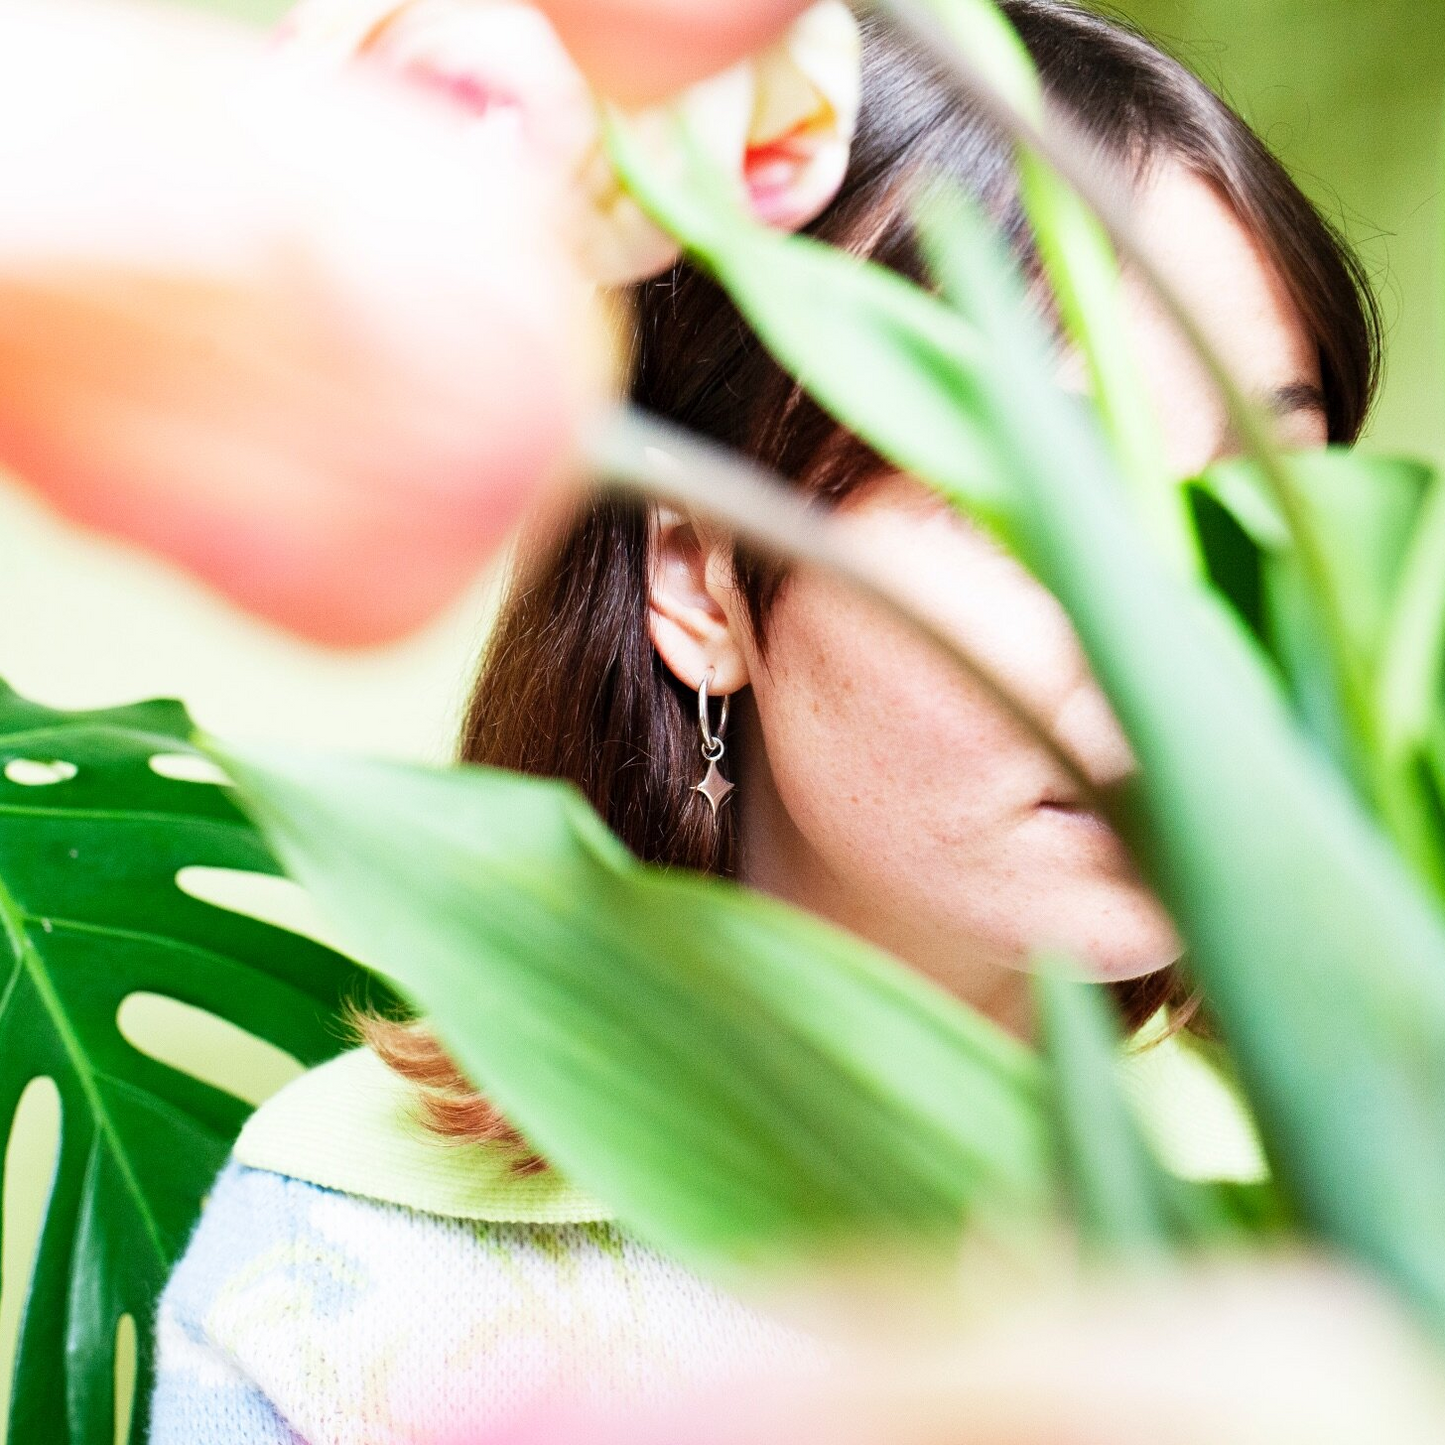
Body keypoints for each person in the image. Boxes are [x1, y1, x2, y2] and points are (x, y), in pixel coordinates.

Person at [148, 2, 1380, 1441]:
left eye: (1261, 502)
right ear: (698, 578)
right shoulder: (353, 1266)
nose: (1180, 635)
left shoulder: (1354, 1201)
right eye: (1033, 505)